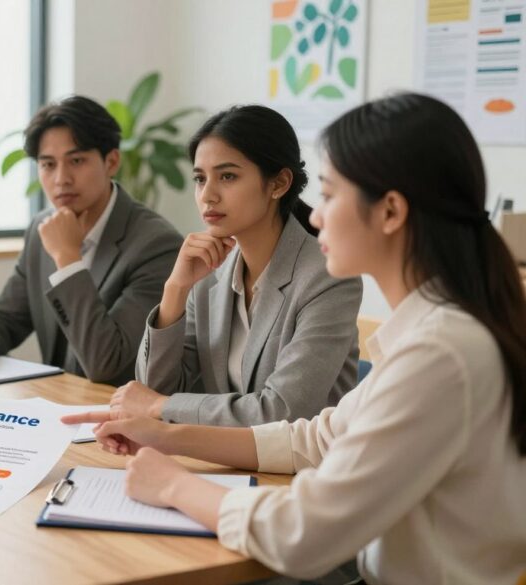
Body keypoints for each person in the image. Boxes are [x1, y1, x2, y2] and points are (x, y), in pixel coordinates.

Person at [63, 93, 526, 583]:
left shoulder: (441, 352)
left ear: (389, 212)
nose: (318, 215)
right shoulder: (433, 333)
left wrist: (177, 486)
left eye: (329, 194)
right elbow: (316, 438)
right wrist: (167, 435)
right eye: (202, 178)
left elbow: (303, 535)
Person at [116, 105, 362, 426]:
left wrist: (160, 406)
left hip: (303, 471)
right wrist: (175, 290)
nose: (208, 195)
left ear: (278, 184)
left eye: (227, 176)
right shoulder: (207, 274)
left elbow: (282, 413)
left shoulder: (327, 277)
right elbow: (153, 390)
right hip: (224, 462)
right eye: (200, 178)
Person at [0, 96, 182, 385]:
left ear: (112, 161)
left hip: (118, 416)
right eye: (48, 164)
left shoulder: (156, 245)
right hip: (58, 402)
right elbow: (8, 315)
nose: (61, 179)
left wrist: (67, 259)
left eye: (76, 161)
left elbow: (108, 363)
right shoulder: (42, 227)